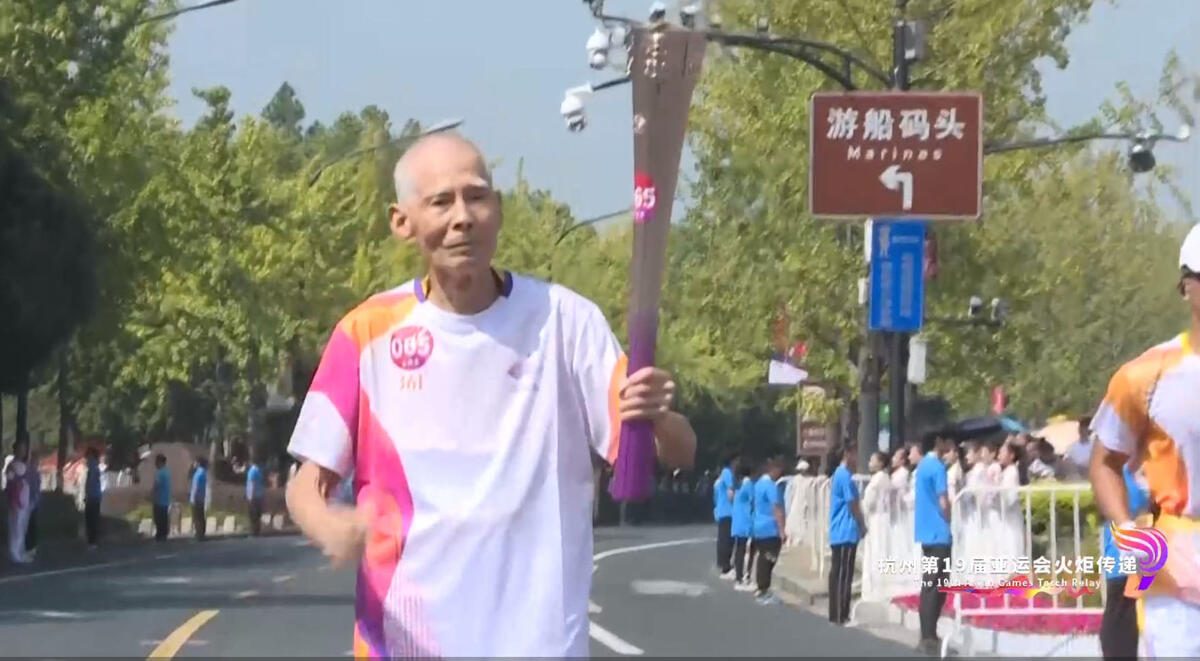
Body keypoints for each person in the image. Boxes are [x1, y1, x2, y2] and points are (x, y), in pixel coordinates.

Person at [284, 133, 696, 658]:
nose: (463, 217)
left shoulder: (566, 321)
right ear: (402, 221)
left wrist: (659, 417)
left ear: (498, 210)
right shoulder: (366, 333)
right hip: (403, 644)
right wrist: (330, 526)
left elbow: (672, 454)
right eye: (440, 202)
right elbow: (305, 485)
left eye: (476, 197)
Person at [1090, 224, 1200, 659]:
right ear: (1187, 288)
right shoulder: (1145, 375)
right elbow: (1104, 462)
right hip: (1177, 561)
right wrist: (1127, 529)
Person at [1098, 464, 1149, 660]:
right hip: (1121, 556)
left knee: (1127, 611)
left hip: (1134, 557)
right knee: (1120, 609)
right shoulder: (1118, 472)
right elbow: (1134, 500)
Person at [913, 432, 954, 655]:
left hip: (925, 534)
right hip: (939, 533)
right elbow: (943, 500)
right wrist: (949, 517)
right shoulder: (937, 467)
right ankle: (929, 636)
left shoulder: (922, 467)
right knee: (938, 585)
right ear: (937, 441)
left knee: (929, 584)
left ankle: (926, 633)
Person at [828, 445, 865, 625]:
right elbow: (853, 504)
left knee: (838, 572)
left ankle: (836, 614)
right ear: (847, 454)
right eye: (854, 453)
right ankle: (841, 614)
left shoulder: (839, 475)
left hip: (839, 531)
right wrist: (862, 524)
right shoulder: (844, 476)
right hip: (845, 530)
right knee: (843, 573)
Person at [750, 457, 787, 604]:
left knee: (763, 558)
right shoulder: (771, 486)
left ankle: (762, 588)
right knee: (769, 558)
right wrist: (782, 529)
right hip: (769, 528)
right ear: (775, 469)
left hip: (758, 526)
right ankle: (763, 589)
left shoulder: (758, 484)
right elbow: (777, 508)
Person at [861, 451, 892, 602]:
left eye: (872, 460)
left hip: (877, 519)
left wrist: (863, 511)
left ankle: (875, 588)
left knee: (876, 552)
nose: (869, 463)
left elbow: (869, 502)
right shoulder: (884, 478)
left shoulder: (878, 480)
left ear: (880, 463)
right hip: (881, 519)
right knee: (881, 550)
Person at [5, 440, 31, 563]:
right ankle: (14, 553)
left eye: (24, 449)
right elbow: (10, 484)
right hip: (16, 501)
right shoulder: (12, 465)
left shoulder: (23, 464)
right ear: (15, 450)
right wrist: (14, 500)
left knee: (21, 527)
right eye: (20, 449)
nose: (23, 452)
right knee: (15, 527)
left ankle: (20, 552)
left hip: (24, 500)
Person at [731, 462, 755, 591]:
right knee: (744, 550)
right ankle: (742, 578)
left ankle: (738, 576)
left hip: (737, 520)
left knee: (739, 549)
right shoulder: (748, 484)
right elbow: (753, 500)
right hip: (745, 520)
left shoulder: (737, 484)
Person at [713, 451, 738, 578]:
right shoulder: (728, 473)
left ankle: (724, 564)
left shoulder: (722, 474)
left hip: (722, 511)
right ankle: (726, 567)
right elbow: (730, 492)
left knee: (723, 538)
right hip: (728, 511)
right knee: (727, 539)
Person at [83, 447, 102, 549]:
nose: (87, 459)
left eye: (88, 456)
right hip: (94, 496)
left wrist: (87, 496)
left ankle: (92, 542)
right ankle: (92, 541)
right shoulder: (93, 468)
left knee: (91, 520)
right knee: (92, 519)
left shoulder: (93, 468)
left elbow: (90, 484)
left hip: (93, 497)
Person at [24, 447, 40, 559]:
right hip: (32, 501)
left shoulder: (29, 471)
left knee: (30, 525)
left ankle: (30, 547)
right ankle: (31, 547)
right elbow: (34, 488)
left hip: (31, 501)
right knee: (31, 525)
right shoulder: (32, 472)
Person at [152, 454, 171, 541]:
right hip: (166, 499)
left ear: (160, 462)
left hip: (159, 499)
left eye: (156, 461)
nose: (155, 463)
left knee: (158, 518)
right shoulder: (167, 472)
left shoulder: (160, 473)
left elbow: (157, 485)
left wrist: (152, 494)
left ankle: (160, 534)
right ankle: (164, 534)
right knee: (164, 517)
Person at [246, 453, 266, 536]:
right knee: (257, 515)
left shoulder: (252, 471)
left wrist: (250, 496)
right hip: (259, 495)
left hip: (253, 496)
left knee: (253, 515)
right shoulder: (259, 471)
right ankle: (257, 531)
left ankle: (254, 531)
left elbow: (251, 484)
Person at [190, 457, 207, 541]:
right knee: (201, 516)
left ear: (198, 463)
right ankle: (202, 533)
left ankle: (199, 534)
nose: (194, 464)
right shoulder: (204, 473)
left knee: (197, 517)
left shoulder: (198, 474)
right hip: (202, 497)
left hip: (196, 498)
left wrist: (194, 497)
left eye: (195, 462)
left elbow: (196, 487)